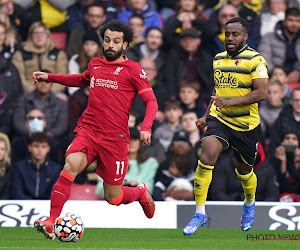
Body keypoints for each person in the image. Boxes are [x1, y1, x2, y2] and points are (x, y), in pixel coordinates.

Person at [32, 19, 158, 240]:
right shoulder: (95, 64)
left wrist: (146, 127)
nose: (110, 45)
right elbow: (81, 80)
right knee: (70, 166)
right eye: (107, 40)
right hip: (89, 130)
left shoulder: (133, 70)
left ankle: (139, 192)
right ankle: (51, 221)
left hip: (115, 139)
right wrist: (49, 77)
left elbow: (152, 101)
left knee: (113, 196)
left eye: (116, 41)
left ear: (125, 45)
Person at [183, 17, 268, 235]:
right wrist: (205, 115)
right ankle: (200, 213)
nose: (229, 38)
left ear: (245, 36)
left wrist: (230, 103)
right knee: (207, 154)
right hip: (219, 119)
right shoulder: (218, 59)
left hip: (245, 125)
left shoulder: (255, 60)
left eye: (235, 34)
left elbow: (262, 92)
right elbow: (218, 90)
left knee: (244, 172)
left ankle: (249, 203)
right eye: (227, 34)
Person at [96, 127, 159, 198]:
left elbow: (150, 189)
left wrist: (135, 185)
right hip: (114, 202)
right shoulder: (108, 162)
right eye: (128, 139)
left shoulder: (150, 163)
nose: (131, 142)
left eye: (134, 139)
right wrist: (116, 187)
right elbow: (99, 191)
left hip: (138, 203)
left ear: (140, 141)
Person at [11, 21, 68, 93]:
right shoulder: (20, 54)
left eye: (42, 33)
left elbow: (63, 78)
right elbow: (19, 78)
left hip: (53, 92)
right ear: (30, 36)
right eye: (36, 33)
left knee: (62, 99)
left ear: (48, 36)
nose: (39, 36)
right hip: (28, 92)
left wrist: (48, 92)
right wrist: (35, 93)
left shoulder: (59, 54)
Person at [11, 132, 61, 200]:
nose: (39, 150)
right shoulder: (19, 167)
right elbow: (17, 193)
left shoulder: (55, 169)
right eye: (36, 146)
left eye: (43, 146)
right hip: (24, 206)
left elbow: (54, 195)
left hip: (47, 207)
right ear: (29, 147)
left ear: (48, 149)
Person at [258, 7, 300, 83]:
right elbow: (262, 60)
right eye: (291, 20)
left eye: (297, 21)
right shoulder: (269, 37)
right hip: (273, 78)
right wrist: (277, 73)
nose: (294, 24)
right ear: (284, 22)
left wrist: (298, 71)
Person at [259, 79, 286, 148]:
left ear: (282, 94)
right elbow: (262, 134)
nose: (271, 95)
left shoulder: (288, 108)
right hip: (271, 144)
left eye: (275, 92)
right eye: (269, 92)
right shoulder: (262, 111)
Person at [0, 132, 12, 199]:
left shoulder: (9, 169)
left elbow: (7, 191)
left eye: (2, 149)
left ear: (6, 151)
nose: (0, 152)